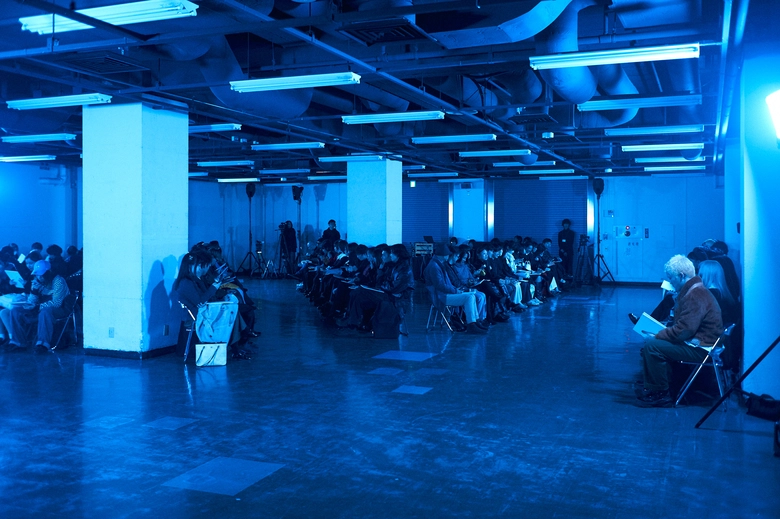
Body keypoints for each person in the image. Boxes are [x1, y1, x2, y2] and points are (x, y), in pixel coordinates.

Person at [637, 255, 724, 407]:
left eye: (671, 278)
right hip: (701, 343)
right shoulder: (697, 291)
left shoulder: (695, 295)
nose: (670, 282)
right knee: (654, 344)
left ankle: (661, 393)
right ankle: (657, 386)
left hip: (700, 348)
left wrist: (658, 334)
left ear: (681, 276)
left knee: (652, 346)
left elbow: (684, 331)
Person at [4, 260, 72, 351]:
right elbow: (32, 301)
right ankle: (18, 342)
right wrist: (34, 292)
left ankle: (43, 344)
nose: (39, 277)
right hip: (41, 307)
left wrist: (37, 307)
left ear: (48, 272)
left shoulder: (58, 281)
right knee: (15, 310)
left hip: (61, 308)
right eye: (37, 275)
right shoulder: (37, 280)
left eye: (41, 275)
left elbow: (57, 303)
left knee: (45, 311)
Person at [424, 243, 487, 334]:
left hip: (444, 294)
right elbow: (440, 285)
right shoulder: (435, 266)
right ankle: (472, 324)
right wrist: (455, 290)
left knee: (472, 295)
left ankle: (474, 322)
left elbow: (443, 284)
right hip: (441, 297)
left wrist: (456, 290)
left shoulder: (437, 264)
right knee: (469, 297)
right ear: (443, 255)